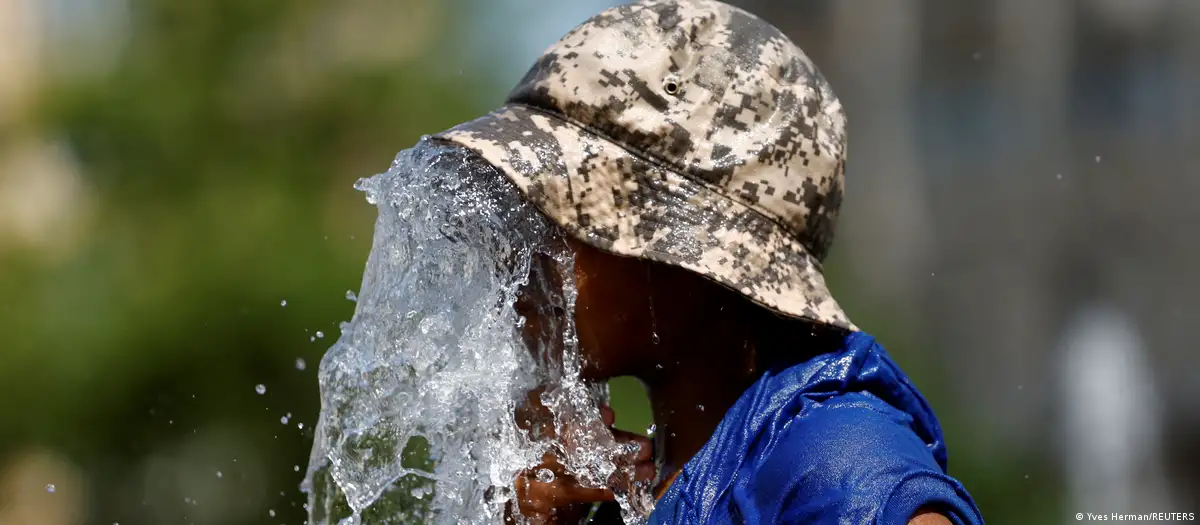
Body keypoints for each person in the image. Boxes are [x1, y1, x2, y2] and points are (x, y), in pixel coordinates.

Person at [431, 0, 984, 523]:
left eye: (560, 216)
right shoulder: (670, 479)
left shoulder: (837, 473)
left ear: (693, 249)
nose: (519, 256)